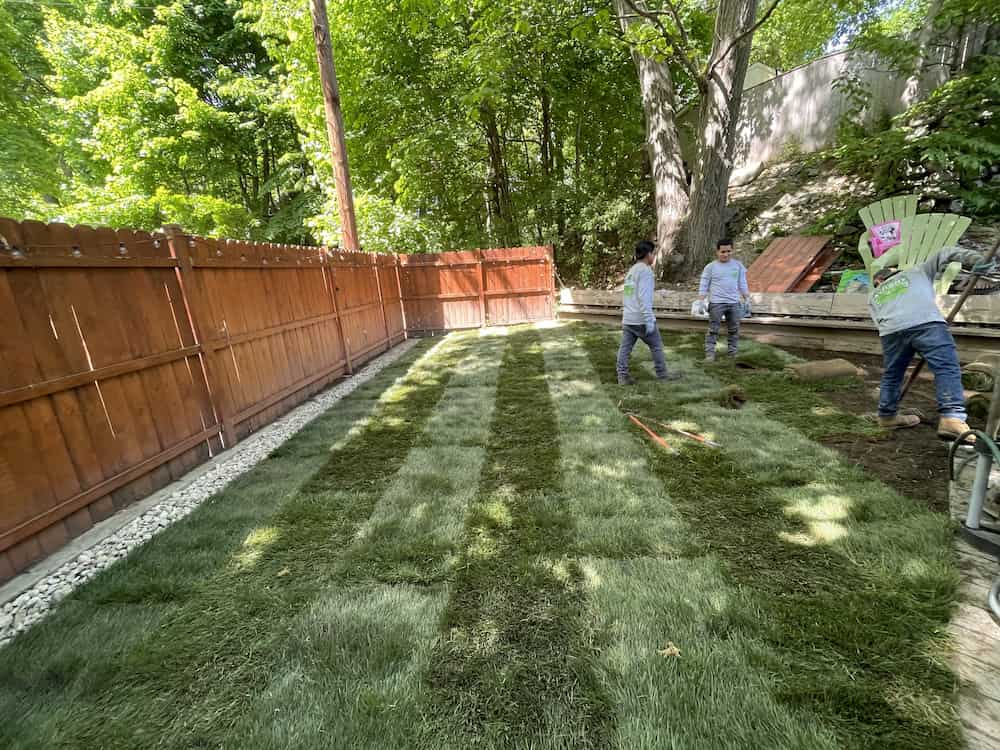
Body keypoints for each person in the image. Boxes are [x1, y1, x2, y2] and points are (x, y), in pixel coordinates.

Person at [869, 245, 995, 440]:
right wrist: (975, 259)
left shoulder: (874, 295)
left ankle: (887, 416)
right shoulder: (916, 272)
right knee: (946, 368)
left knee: (892, 374)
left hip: (891, 332)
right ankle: (952, 419)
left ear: (878, 281)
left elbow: (878, 321)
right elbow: (944, 252)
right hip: (926, 324)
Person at [617, 240, 681, 385]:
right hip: (641, 319)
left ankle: (622, 376)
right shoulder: (646, 272)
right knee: (656, 345)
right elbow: (643, 297)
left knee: (625, 348)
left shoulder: (632, 271)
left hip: (629, 318)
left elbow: (630, 295)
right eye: (653, 253)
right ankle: (662, 375)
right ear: (648, 254)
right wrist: (648, 319)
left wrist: (658, 293)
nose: (654, 257)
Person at [699, 239, 749, 362]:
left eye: (728, 251)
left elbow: (742, 283)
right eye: (723, 252)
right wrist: (701, 301)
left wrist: (747, 298)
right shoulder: (710, 267)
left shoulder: (738, 266)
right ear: (717, 252)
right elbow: (704, 284)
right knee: (713, 330)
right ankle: (710, 354)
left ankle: (732, 353)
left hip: (734, 303)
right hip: (716, 303)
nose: (726, 254)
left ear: (732, 250)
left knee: (734, 330)